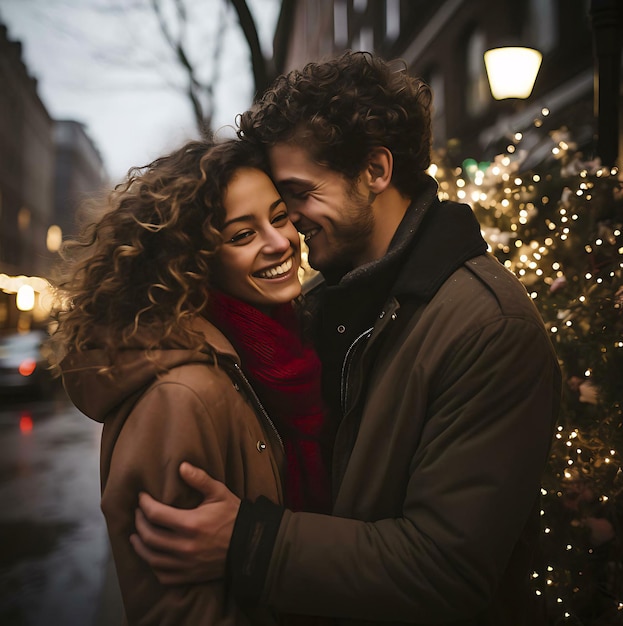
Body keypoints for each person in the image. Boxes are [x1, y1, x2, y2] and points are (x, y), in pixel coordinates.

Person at [130, 51, 562, 625]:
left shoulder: (487, 328)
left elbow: (447, 572)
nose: (291, 224)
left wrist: (251, 543)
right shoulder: (318, 307)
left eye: (299, 196)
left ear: (376, 171)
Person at [47, 137, 332, 625]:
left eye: (279, 216)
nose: (280, 241)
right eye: (242, 235)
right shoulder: (182, 396)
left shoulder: (280, 351)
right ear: (196, 259)